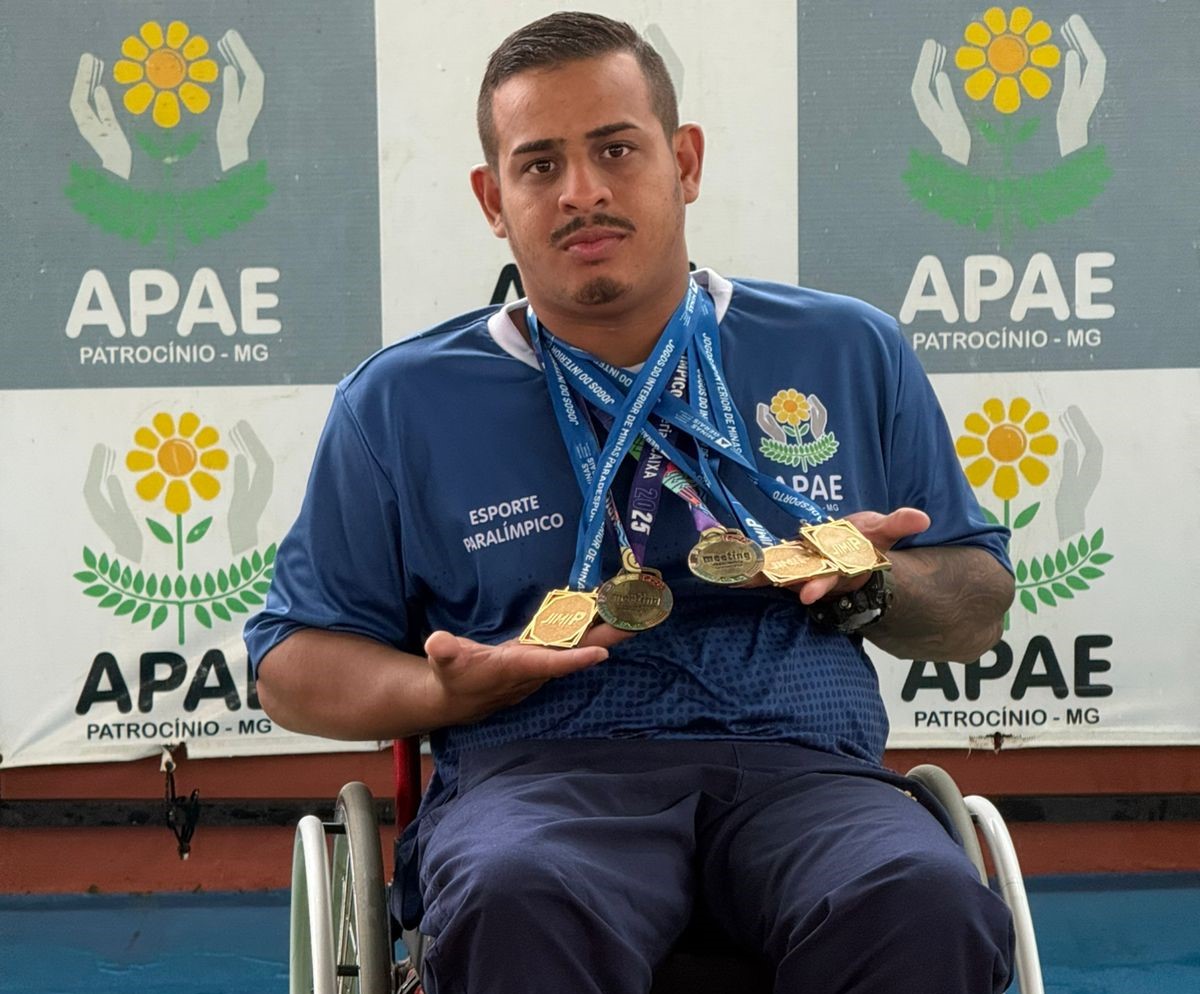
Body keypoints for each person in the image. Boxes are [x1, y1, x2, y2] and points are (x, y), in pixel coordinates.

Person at [246, 12, 1016, 993]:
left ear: (684, 161)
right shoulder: (401, 401)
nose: (582, 191)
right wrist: (449, 693)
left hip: (805, 771)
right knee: (514, 892)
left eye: (616, 149)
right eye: (539, 165)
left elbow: (976, 607)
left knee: (923, 897)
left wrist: (874, 580)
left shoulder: (846, 348)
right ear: (492, 199)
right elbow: (290, 665)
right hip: (540, 775)